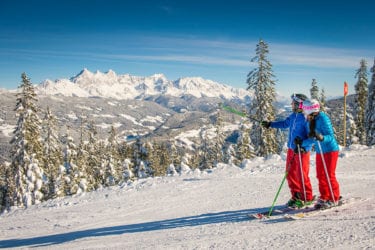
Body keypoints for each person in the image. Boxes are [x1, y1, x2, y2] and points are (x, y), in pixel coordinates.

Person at [261, 93, 314, 208]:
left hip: (302, 151)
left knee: (302, 175)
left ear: (300, 105)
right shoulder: (293, 116)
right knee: (290, 174)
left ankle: (307, 198)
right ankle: (296, 197)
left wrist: (304, 146)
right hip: (291, 149)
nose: (291, 105)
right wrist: (270, 124)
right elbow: (285, 124)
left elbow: (312, 137)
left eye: (294, 103)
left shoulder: (306, 118)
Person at [298, 99, 341, 209]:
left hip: (330, 150)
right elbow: (312, 138)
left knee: (329, 175)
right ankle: (325, 196)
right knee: (320, 175)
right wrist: (302, 143)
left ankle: (334, 198)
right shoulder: (309, 120)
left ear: (310, 110)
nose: (303, 112)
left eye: (304, 110)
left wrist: (322, 137)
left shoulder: (323, 119)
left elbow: (330, 137)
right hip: (320, 150)